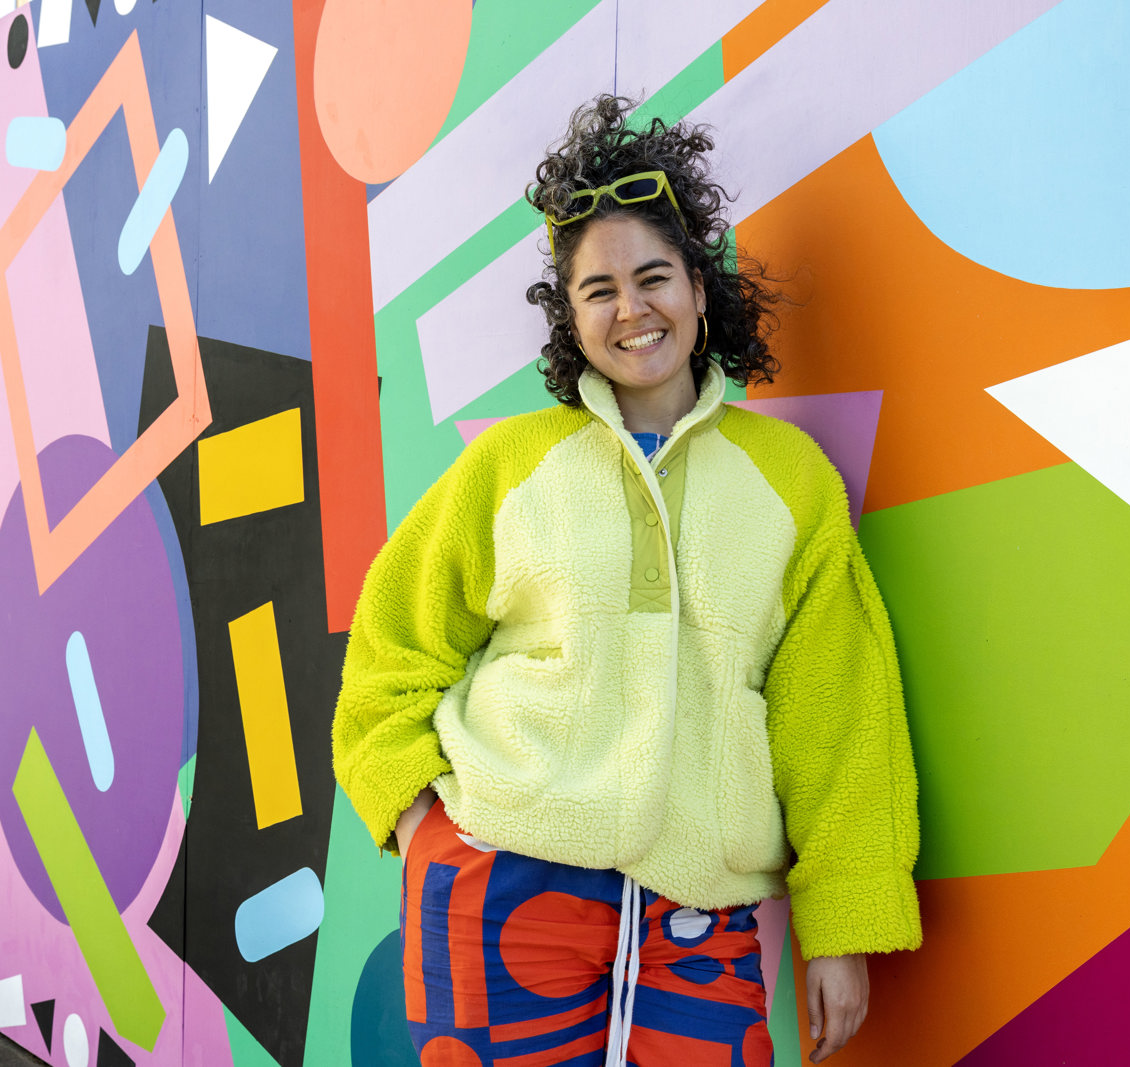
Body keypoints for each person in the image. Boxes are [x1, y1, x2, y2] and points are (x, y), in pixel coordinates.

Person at [332, 95, 921, 1067]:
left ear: (698, 287)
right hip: (496, 884)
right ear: (570, 318)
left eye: (653, 277)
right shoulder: (511, 464)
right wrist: (417, 814)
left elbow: (841, 719)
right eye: (597, 289)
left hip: (700, 911)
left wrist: (842, 919)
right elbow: (393, 643)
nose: (631, 309)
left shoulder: (790, 481)